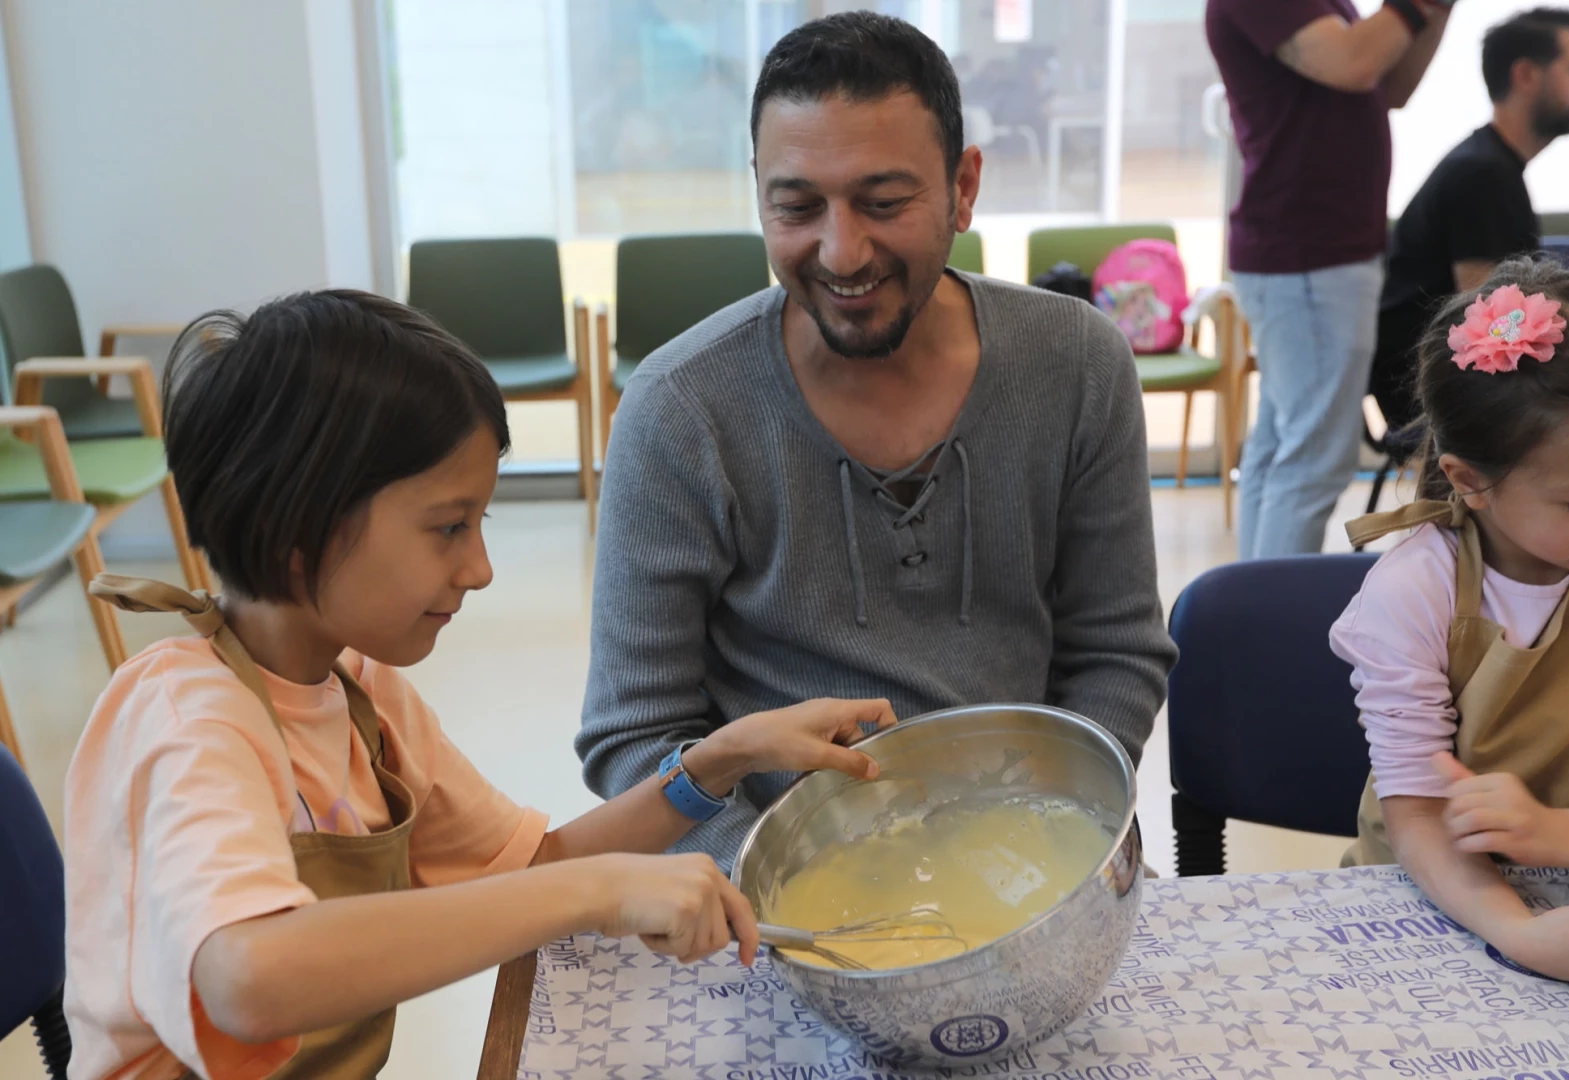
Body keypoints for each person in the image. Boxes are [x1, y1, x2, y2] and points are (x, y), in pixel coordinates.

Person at [62, 291, 898, 1080]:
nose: (480, 568)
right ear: (297, 532)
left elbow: (533, 865)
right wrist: (593, 894)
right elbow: (247, 978)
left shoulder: (360, 692)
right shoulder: (188, 722)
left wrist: (717, 761)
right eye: (448, 527)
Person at [577, 12, 1176, 863]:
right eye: (796, 206)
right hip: (780, 880)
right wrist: (773, 878)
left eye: (884, 203)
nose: (841, 251)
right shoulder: (681, 408)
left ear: (963, 186)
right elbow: (633, 735)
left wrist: (1046, 833)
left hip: (1030, 854)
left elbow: (1116, 653)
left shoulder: (1076, 363)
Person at [1332, 258, 1569, 994]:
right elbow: (1420, 818)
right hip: (1441, 904)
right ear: (1471, 481)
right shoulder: (1412, 595)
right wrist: (1518, 934)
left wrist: (1559, 834)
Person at [1206, 0, 1453, 558]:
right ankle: (1272, 605)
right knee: (1313, 458)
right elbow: (1353, 62)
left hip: (1314, 254)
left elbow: (1390, 85)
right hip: (1310, 255)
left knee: (1285, 447)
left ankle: (1254, 596)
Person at [1374, 8, 1569, 437]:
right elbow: (1495, 325)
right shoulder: (1484, 176)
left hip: (1432, 381)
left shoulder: (1491, 166)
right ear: (1526, 75)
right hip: (1430, 396)